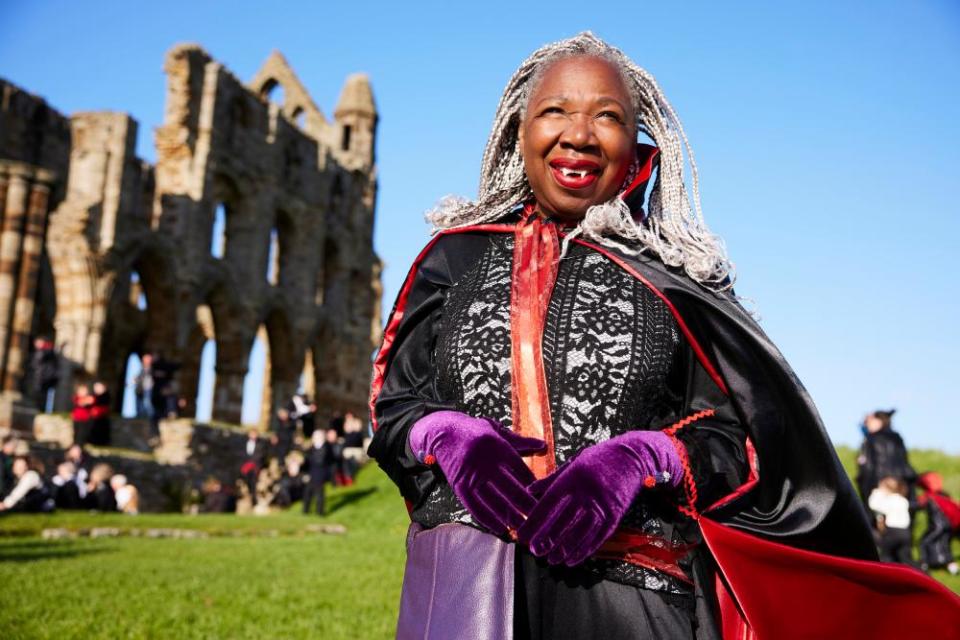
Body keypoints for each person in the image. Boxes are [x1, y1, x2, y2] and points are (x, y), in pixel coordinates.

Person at [368, 32, 959, 640]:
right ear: (519, 131)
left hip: (633, 602)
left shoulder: (677, 279)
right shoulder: (452, 259)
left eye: (607, 116)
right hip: (465, 592)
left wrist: (646, 458)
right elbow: (394, 408)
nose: (579, 133)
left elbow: (741, 440)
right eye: (555, 111)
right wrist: (445, 434)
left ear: (637, 142)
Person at [856, 409, 916, 509]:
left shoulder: (872, 439)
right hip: (901, 485)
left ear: (879, 421)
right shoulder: (897, 437)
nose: (865, 424)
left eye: (868, 421)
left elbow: (870, 467)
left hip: (880, 487)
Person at [917, 471, 960, 575]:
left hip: (937, 526)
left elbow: (917, 506)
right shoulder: (944, 496)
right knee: (945, 544)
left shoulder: (929, 497)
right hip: (950, 526)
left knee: (924, 542)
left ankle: (924, 564)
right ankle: (952, 567)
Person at [868, 476, 915, 566]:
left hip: (893, 531)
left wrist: (876, 494)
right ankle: (920, 573)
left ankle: (886, 574)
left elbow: (874, 506)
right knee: (905, 557)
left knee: (886, 556)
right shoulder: (903, 500)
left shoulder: (890, 500)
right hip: (906, 532)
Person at [302, 429, 339, 516]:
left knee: (319, 493)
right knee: (308, 492)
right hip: (312, 472)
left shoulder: (327, 447)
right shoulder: (312, 447)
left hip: (321, 473)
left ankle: (320, 512)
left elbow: (323, 460)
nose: (315, 438)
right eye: (314, 437)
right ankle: (305, 511)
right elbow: (308, 460)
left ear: (322, 437)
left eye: (317, 437)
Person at [28, 336, 59, 412]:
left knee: (46, 395)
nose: (36, 344)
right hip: (39, 377)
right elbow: (34, 364)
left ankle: (46, 410)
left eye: (38, 342)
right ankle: (38, 408)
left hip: (47, 377)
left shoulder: (48, 350)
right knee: (38, 394)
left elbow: (43, 358)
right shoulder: (37, 352)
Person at [239, 429, 266, 502]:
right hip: (245, 466)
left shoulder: (261, 444)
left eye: (255, 434)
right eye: (252, 434)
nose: (253, 436)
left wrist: (252, 463)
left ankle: (254, 498)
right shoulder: (244, 443)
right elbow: (242, 455)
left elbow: (261, 456)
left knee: (254, 480)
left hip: (255, 466)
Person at [89, 381, 112, 446]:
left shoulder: (105, 395)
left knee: (101, 429)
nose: (96, 389)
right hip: (94, 416)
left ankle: (102, 442)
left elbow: (104, 404)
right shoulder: (93, 396)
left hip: (102, 416)